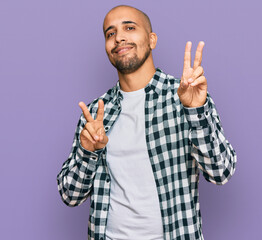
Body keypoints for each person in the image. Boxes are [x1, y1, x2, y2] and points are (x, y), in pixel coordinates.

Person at [56, 4, 237, 240]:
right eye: (110, 33)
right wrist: (87, 151)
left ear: (152, 40)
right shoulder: (95, 114)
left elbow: (221, 172)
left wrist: (195, 111)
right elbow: (70, 195)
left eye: (129, 28)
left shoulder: (187, 97)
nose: (119, 37)